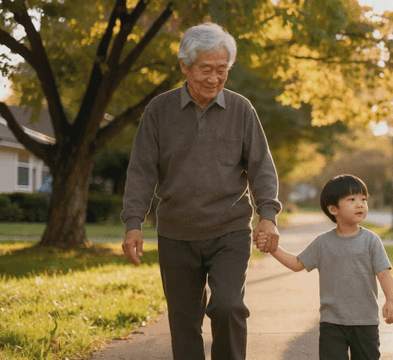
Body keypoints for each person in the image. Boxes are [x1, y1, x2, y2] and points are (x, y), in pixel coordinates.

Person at [120, 22, 282, 360]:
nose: (213, 78)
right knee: (184, 321)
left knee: (228, 306)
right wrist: (134, 223)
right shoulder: (159, 111)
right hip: (177, 232)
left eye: (221, 69)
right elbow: (141, 171)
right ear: (184, 65)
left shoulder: (241, 109)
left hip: (230, 229)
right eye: (204, 68)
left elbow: (261, 167)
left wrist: (268, 216)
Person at [255, 174, 393, 360]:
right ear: (333, 209)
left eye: (364, 199)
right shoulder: (323, 243)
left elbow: (384, 273)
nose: (360, 204)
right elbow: (297, 263)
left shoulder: (371, 241)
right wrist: (274, 249)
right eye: (352, 199)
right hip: (332, 322)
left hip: (365, 322)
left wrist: (391, 301)